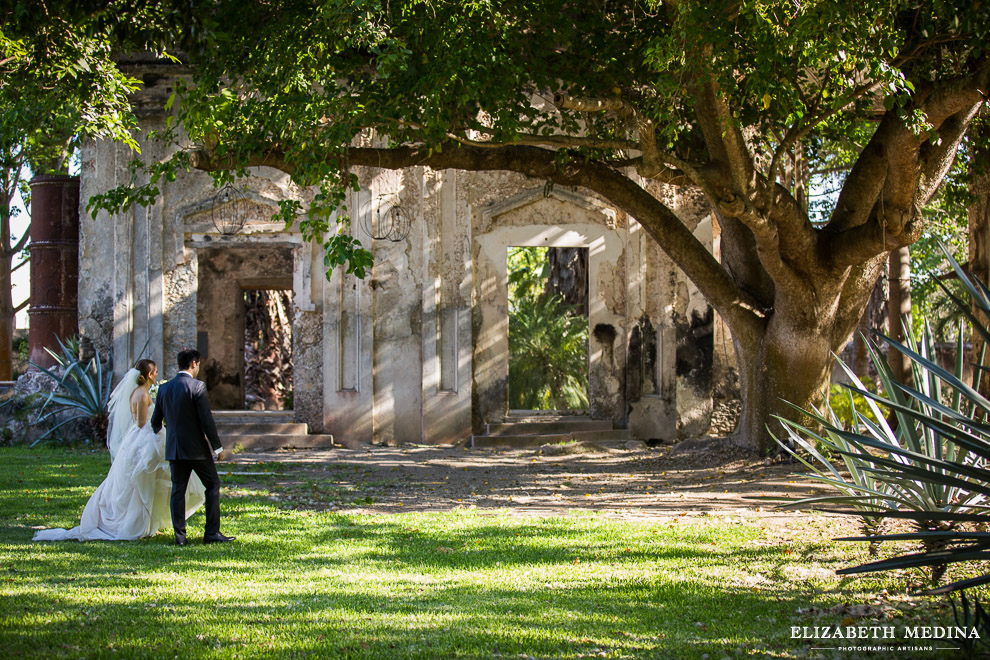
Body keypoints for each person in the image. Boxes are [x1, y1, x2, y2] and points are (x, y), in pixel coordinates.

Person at [33, 360, 206, 542]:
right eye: (155, 372)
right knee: (142, 484)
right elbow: (141, 424)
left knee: (150, 483)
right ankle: (135, 524)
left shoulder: (137, 392)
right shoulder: (142, 395)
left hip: (138, 438)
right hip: (144, 439)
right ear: (148, 375)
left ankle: (148, 524)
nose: (156, 375)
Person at [151, 349, 234, 546]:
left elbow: (155, 422)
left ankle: (180, 537)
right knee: (212, 485)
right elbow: (206, 419)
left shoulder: (164, 389)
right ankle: (212, 532)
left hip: (174, 448)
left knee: (178, 490)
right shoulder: (197, 387)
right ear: (195, 364)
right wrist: (217, 448)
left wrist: (167, 436)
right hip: (196, 449)